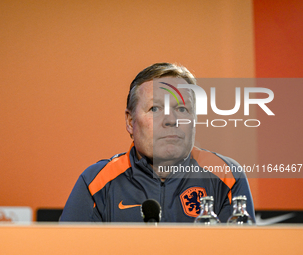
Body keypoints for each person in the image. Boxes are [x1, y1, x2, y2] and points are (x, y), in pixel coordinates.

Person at [60, 63, 255, 222]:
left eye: (182, 109)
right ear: (130, 122)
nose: (170, 120)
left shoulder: (227, 176)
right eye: (155, 109)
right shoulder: (96, 182)